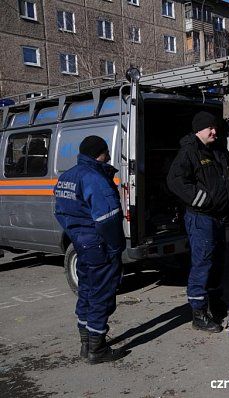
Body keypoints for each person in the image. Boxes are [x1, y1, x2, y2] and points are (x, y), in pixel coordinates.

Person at [54, 135, 126, 364]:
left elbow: (60, 212)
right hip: (98, 243)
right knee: (101, 294)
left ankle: (86, 343)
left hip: (80, 243)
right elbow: (108, 218)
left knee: (86, 290)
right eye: (106, 152)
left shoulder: (67, 176)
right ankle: (97, 348)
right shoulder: (94, 177)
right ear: (100, 153)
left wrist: (77, 235)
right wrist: (116, 246)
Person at [167, 111, 229, 333]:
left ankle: (216, 305)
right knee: (203, 263)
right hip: (201, 218)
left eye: (215, 127)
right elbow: (175, 181)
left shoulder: (217, 151)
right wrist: (202, 199)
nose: (214, 131)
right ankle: (198, 313)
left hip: (218, 218)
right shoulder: (189, 152)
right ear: (199, 129)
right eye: (209, 128)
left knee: (217, 262)